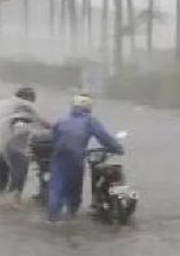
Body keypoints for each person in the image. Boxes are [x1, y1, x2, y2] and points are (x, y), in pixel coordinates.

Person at [47, 93, 123, 222]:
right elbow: (104, 138)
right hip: (76, 158)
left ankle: (53, 218)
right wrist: (118, 149)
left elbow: (53, 139)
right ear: (88, 107)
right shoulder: (89, 121)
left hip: (59, 157)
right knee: (74, 189)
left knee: (57, 188)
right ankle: (71, 216)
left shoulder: (62, 120)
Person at [0, 86, 50, 204]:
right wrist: (57, 128)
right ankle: (14, 202)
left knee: (2, 177)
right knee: (18, 178)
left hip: (5, 149)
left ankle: (1, 202)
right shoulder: (26, 111)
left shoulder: (10, 110)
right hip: (18, 150)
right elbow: (42, 123)